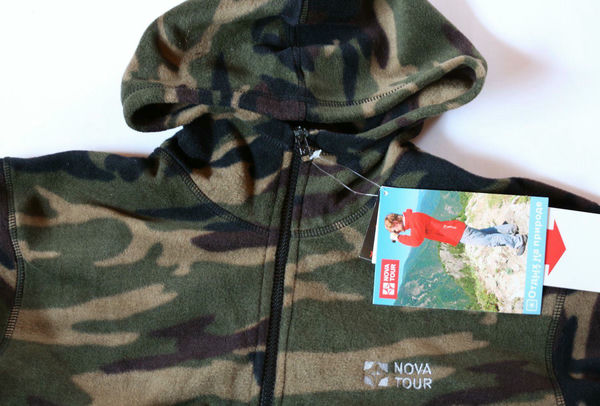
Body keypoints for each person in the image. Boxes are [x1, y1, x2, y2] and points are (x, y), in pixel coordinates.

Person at [384, 209, 528, 255]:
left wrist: (398, 238)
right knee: (484, 234)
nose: (396, 231)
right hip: (455, 231)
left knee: (487, 240)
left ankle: (518, 241)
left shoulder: (413, 219)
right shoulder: (412, 219)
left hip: (456, 232)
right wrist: (400, 235)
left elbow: (416, 241)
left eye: (394, 229)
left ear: (395, 222)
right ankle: (510, 229)